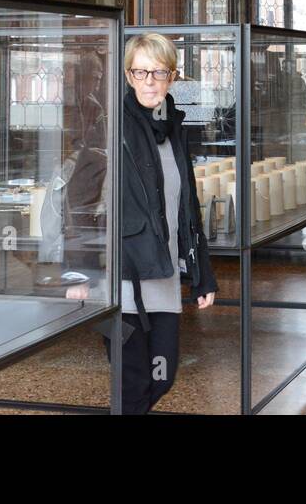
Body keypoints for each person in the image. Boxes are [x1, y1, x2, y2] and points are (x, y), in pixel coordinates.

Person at [112, 33, 217, 413]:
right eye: (141, 72)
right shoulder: (112, 129)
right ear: (128, 76)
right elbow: (80, 200)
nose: (150, 82)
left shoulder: (174, 129)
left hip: (165, 274)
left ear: (172, 76)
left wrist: (203, 274)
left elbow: (187, 206)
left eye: (158, 72)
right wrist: (78, 272)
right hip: (125, 278)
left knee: (162, 376)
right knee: (133, 382)